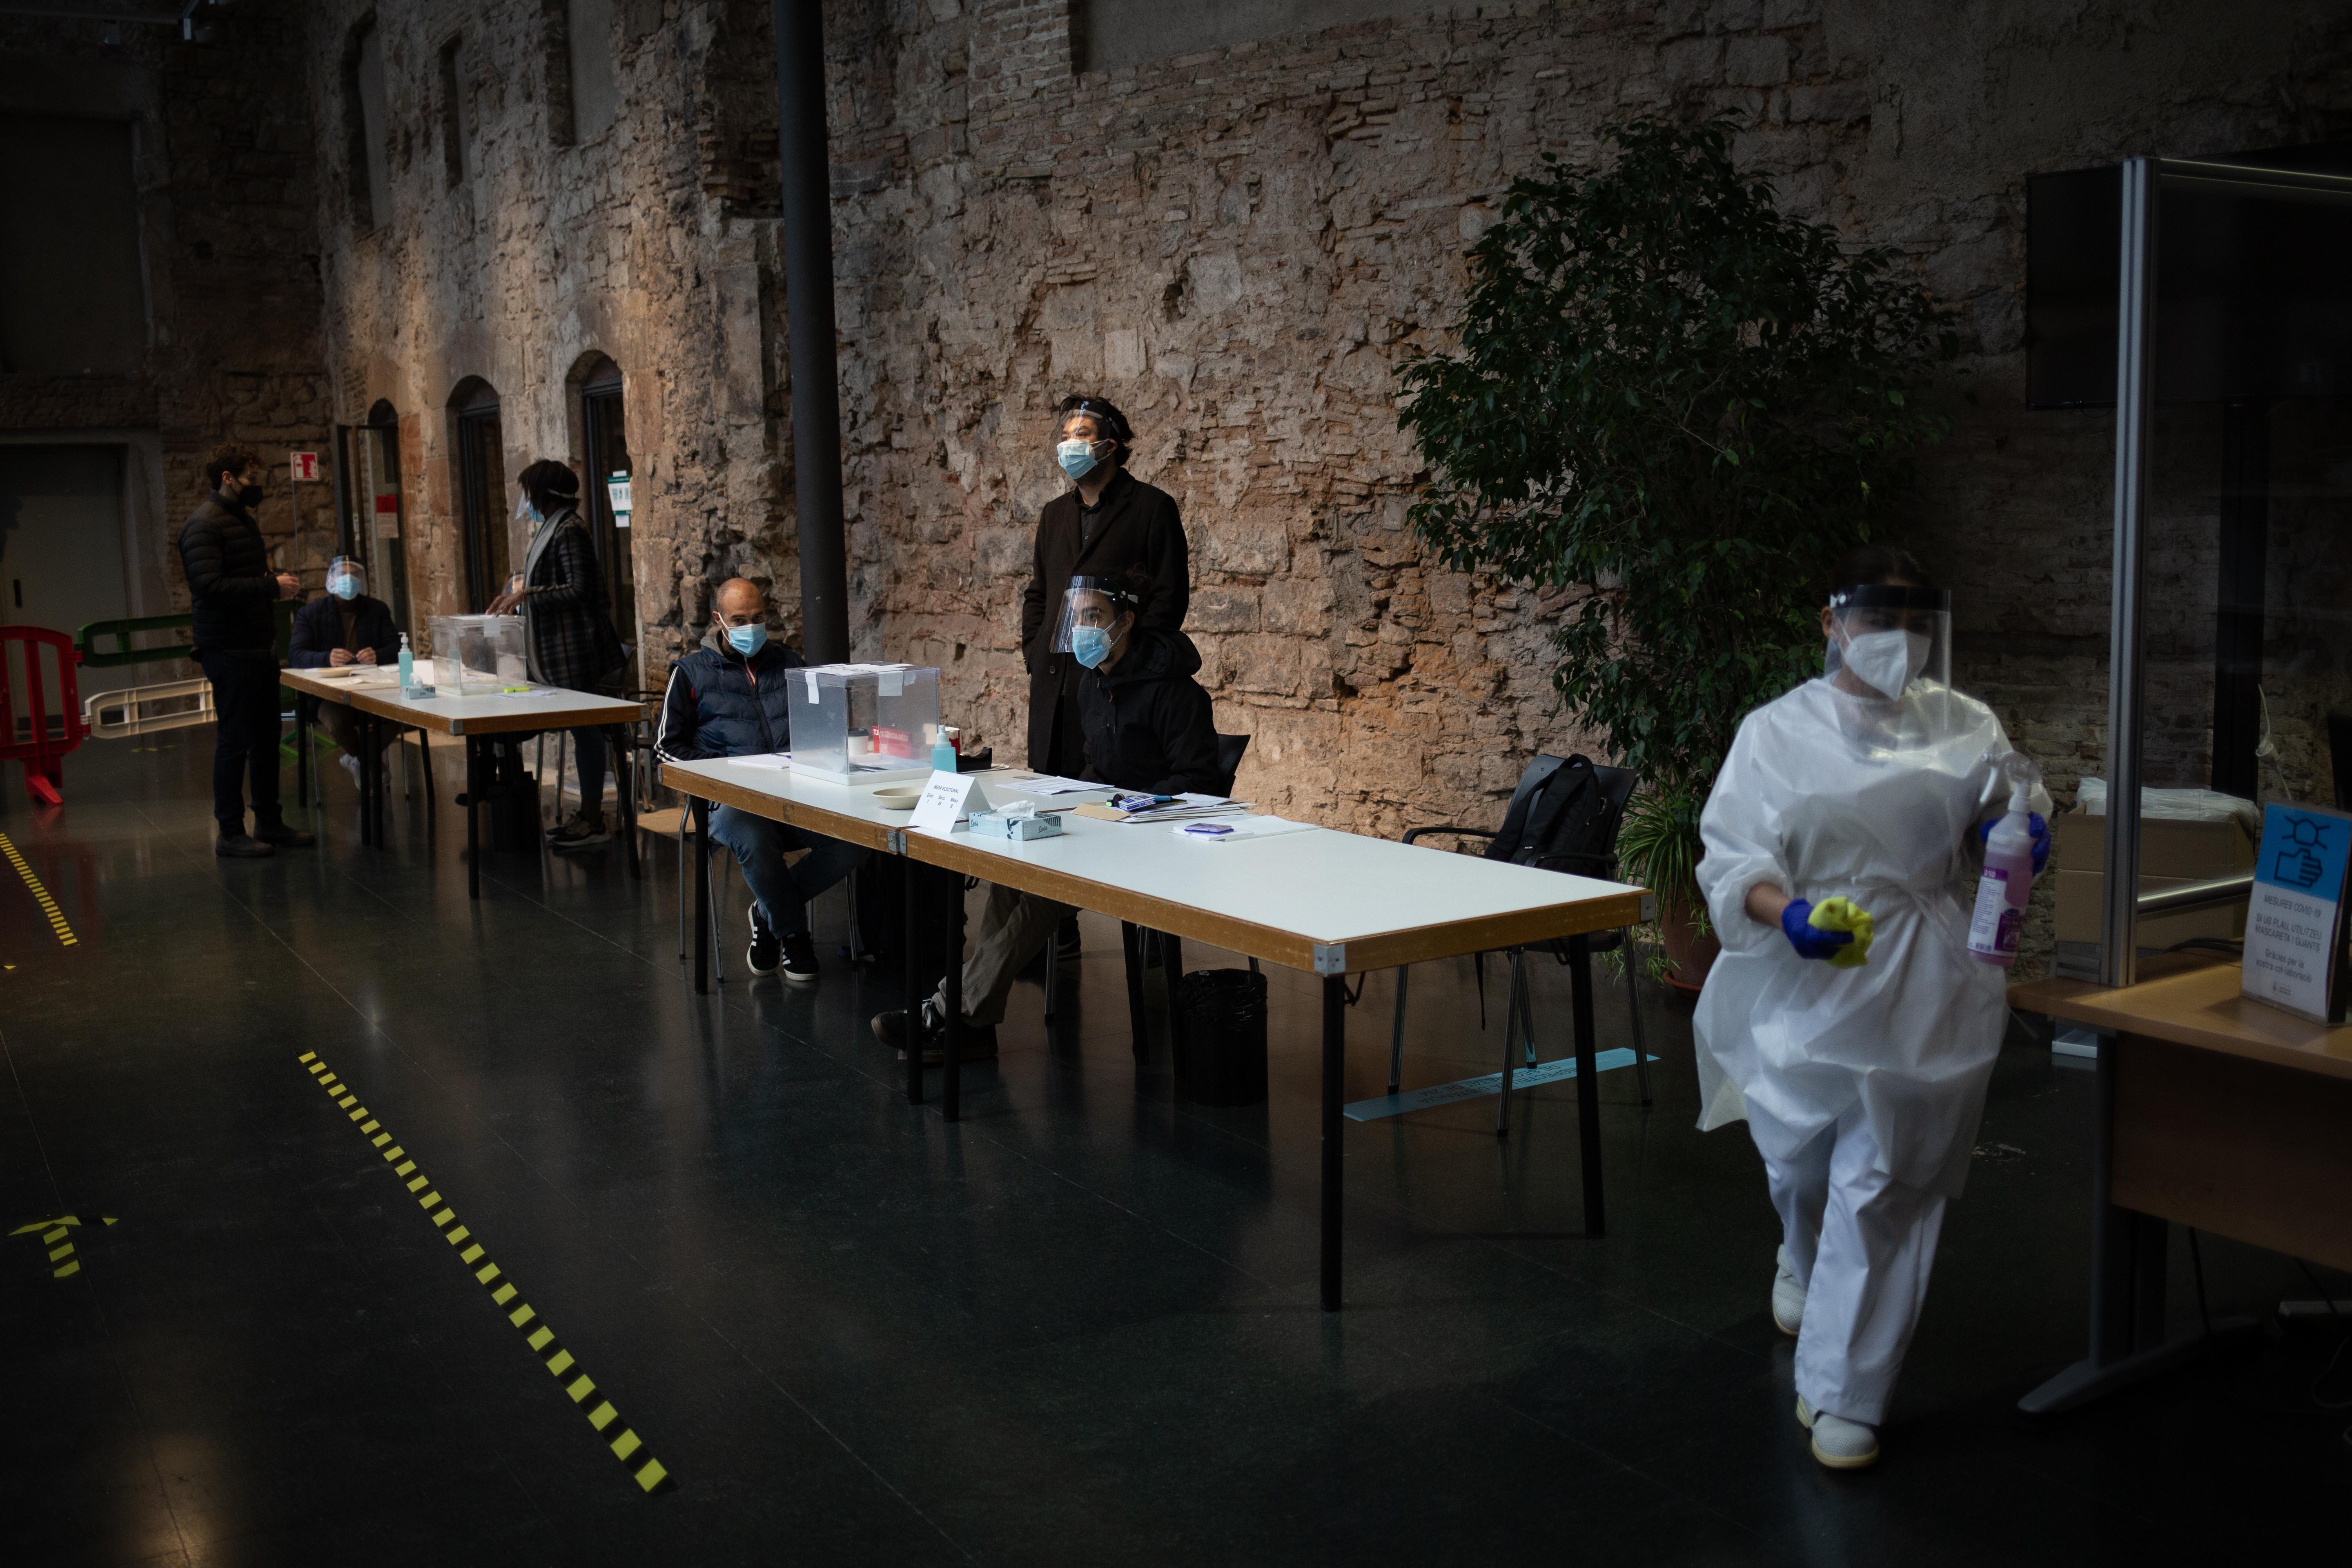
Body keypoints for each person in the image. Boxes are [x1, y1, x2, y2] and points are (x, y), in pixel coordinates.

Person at [1693, 544, 2052, 1472]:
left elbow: (2002, 810)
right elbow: (1730, 857)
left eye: (1912, 621)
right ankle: (1798, 1259)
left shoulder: (1963, 722)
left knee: (1885, 1180)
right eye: (1876, 617)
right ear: (1830, 622)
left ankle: (1845, 1392)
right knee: (1803, 1166)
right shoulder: (1773, 733)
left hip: (1926, 978)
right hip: (1807, 977)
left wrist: (2016, 829)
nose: (1896, 640)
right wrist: (1790, 914)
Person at [873, 568, 1229, 1061]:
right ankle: (971, 1022)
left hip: (1155, 838)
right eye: (1077, 616)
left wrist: (1121, 803)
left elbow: (1198, 782)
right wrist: (1074, 798)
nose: (1083, 627)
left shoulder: (1177, 693)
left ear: (1125, 621)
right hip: (1104, 829)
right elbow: (1095, 766)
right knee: (1009, 876)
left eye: (1095, 616)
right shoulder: (1091, 685)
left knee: (1044, 898)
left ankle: (945, 1011)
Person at [1018, 394, 1190, 959]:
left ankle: (1144, 918)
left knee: (1112, 794)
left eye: (1083, 432)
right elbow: (1039, 593)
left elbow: (1169, 596)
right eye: (1064, 432)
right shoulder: (1054, 515)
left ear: (1111, 444)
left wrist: (1128, 660)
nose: (1071, 443)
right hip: (1057, 681)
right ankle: (1054, 928)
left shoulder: (1151, 508)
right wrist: (1034, 649)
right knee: (1055, 797)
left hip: (1120, 682)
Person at [654, 577, 863, 982]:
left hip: (794, 795)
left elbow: (822, 728)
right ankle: (795, 936)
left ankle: (767, 914)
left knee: (853, 843)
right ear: (719, 620)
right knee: (750, 834)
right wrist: (725, 772)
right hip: (730, 804)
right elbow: (665, 749)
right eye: (740, 619)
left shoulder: (791, 665)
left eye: (758, 617)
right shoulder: (691, 673)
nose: (751, 627)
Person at [177, 441, 314, 858]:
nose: (259, 487)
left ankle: (269, 822)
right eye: (252, 479)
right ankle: (231, 831)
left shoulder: (240, 519)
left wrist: (270, 582)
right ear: (228, 478)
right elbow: (209, 588)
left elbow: (241, 577)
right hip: (228, 649)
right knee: (235, 740)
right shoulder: (204, 525)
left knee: (266, 738)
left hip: (257, 646)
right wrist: (270, 586)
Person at [487, 459, 626, 850]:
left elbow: (581, 589)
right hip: (557, 653)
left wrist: (527, 595)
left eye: (530, 492)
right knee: (575, 731)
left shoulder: (569, 531)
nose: (527, 501)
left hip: (575, 654)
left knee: (586, 731)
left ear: (543, 495)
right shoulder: (555, 527)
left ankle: (595, 816)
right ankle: (586, 813)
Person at [287, 557, 402, 789]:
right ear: (330, 579)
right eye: (342, 574)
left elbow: (397, 647)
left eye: (354, 575)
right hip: (329, 694)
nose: (348, 580)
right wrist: (326, 659)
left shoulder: (377, 610)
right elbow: (296, 655)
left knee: (399, 714)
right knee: (338, 722)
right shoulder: (311, 614)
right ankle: (369, 760)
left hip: (374, 690)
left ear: (361, 581)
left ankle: (358, 759)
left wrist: (377, 655)